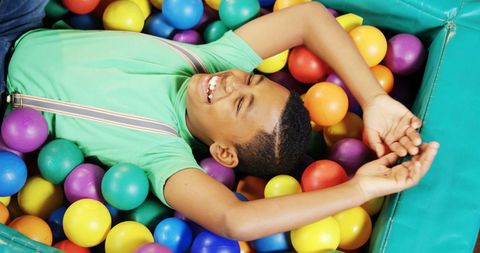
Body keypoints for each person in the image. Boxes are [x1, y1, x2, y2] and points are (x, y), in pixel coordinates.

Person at [1, 0, 439, 241]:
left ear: (223, 152)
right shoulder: (209, 57)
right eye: (251, 78)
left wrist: (358, 189)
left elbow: (237, 221)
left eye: (240, 106)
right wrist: (375, 98)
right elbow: (307, 18)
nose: (231, 84)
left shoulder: (164, 155)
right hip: (21, 21)